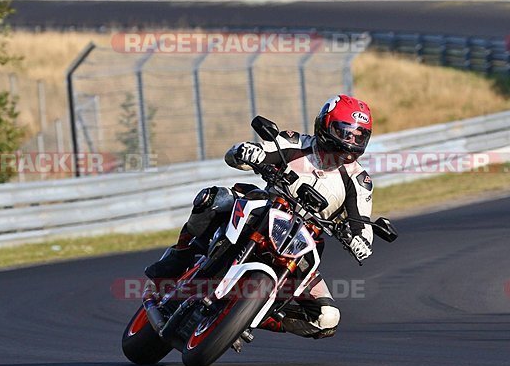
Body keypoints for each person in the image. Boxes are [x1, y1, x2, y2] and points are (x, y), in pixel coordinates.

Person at [145, 94, 374, 339]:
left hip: (303, 240)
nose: (350, 141)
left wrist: (361, 241)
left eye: (358, 136)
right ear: (324, 125)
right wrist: (247, 153)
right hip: (264, 208)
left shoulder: (359, 181)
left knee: (327, 318)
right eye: (344, 132)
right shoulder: (295, 143)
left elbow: (362, 224)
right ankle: (180, 256)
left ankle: (250, 315)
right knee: (213, 199)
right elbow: (244, 153)